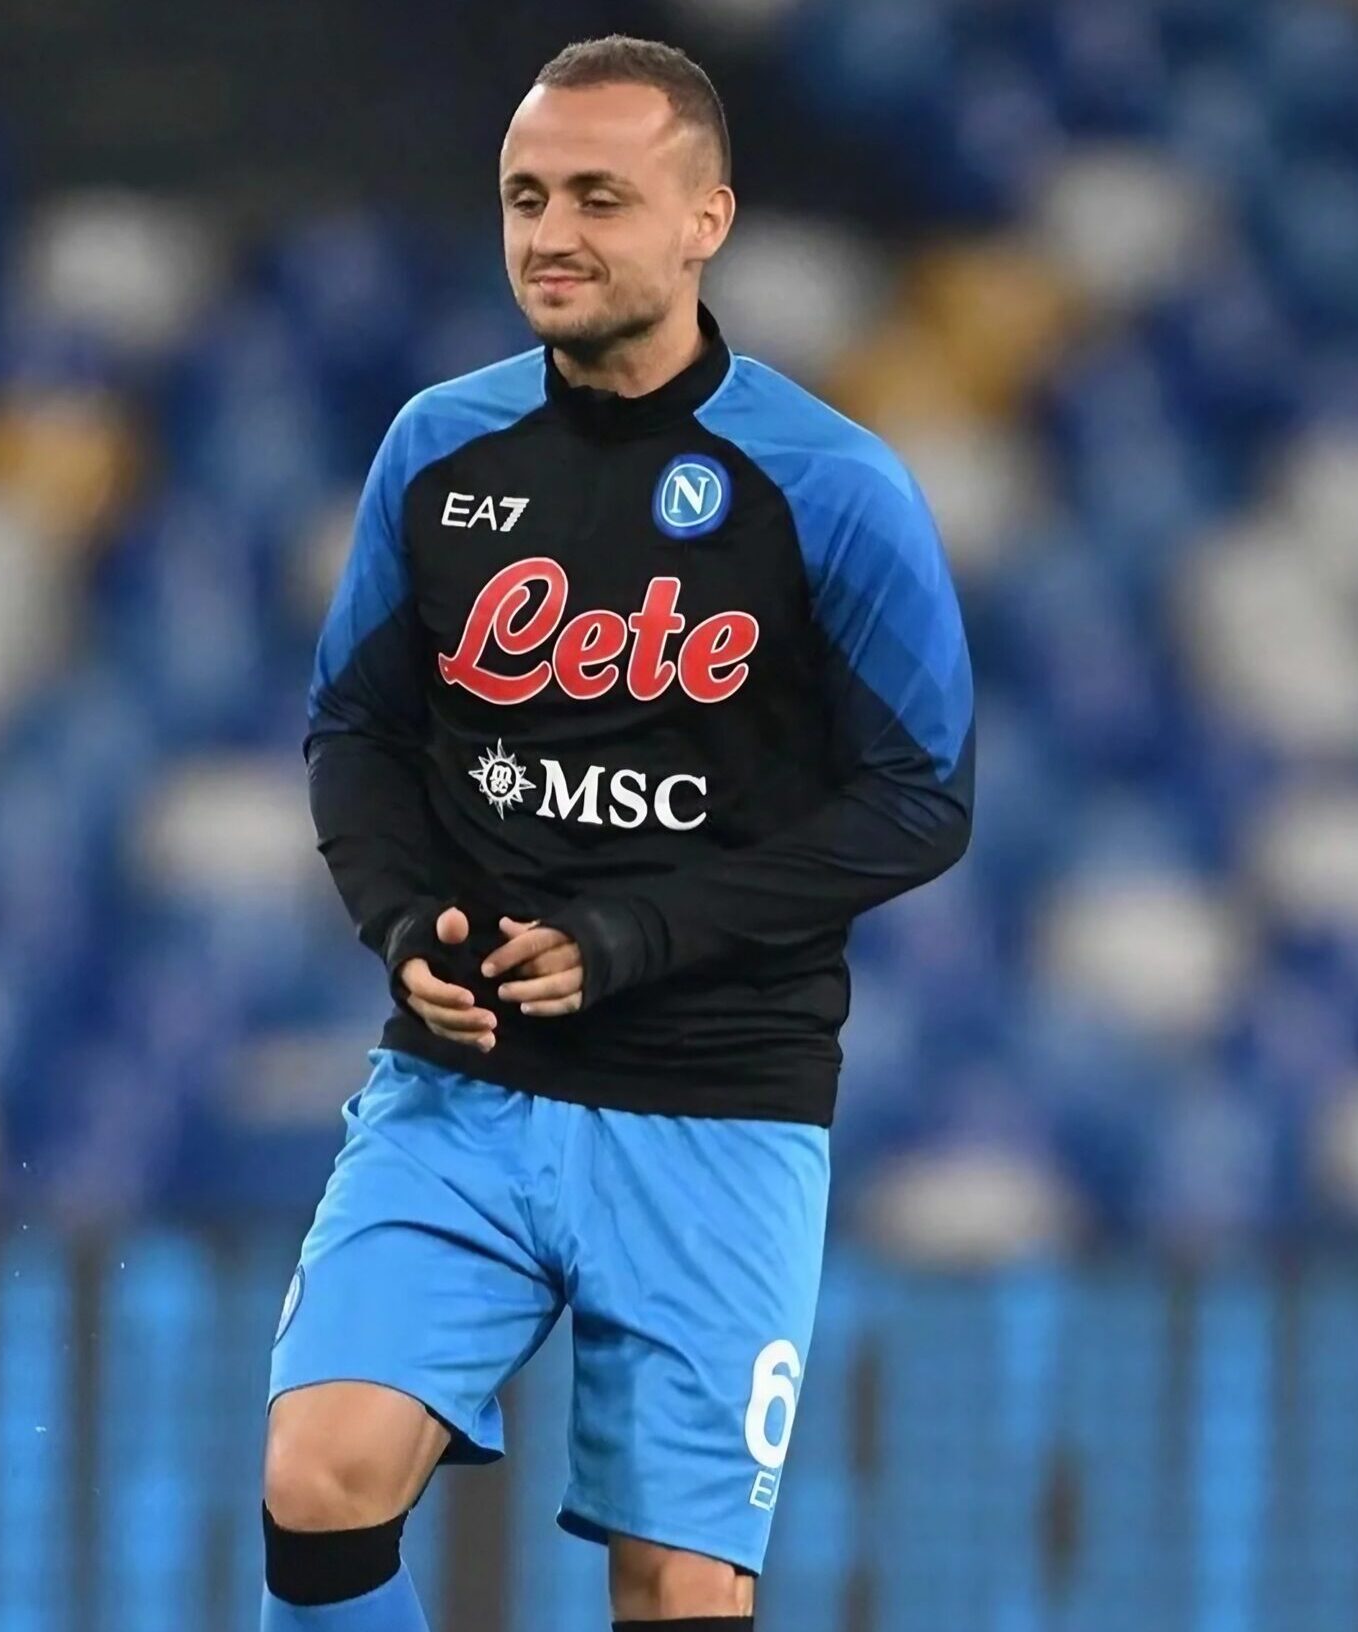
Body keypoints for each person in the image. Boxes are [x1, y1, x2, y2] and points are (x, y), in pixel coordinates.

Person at [264, 34, 974, 1632]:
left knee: (677, 1594)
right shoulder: (438, 450)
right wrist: (400, 929)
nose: (553, 234)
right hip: (464, 1088)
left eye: (600, 196)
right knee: (319, 1478)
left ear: (706, 219)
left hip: (718, 1107)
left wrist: (634, 938)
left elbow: (923, 795)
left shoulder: (829, 484)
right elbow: (358, 731)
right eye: (526, 197)